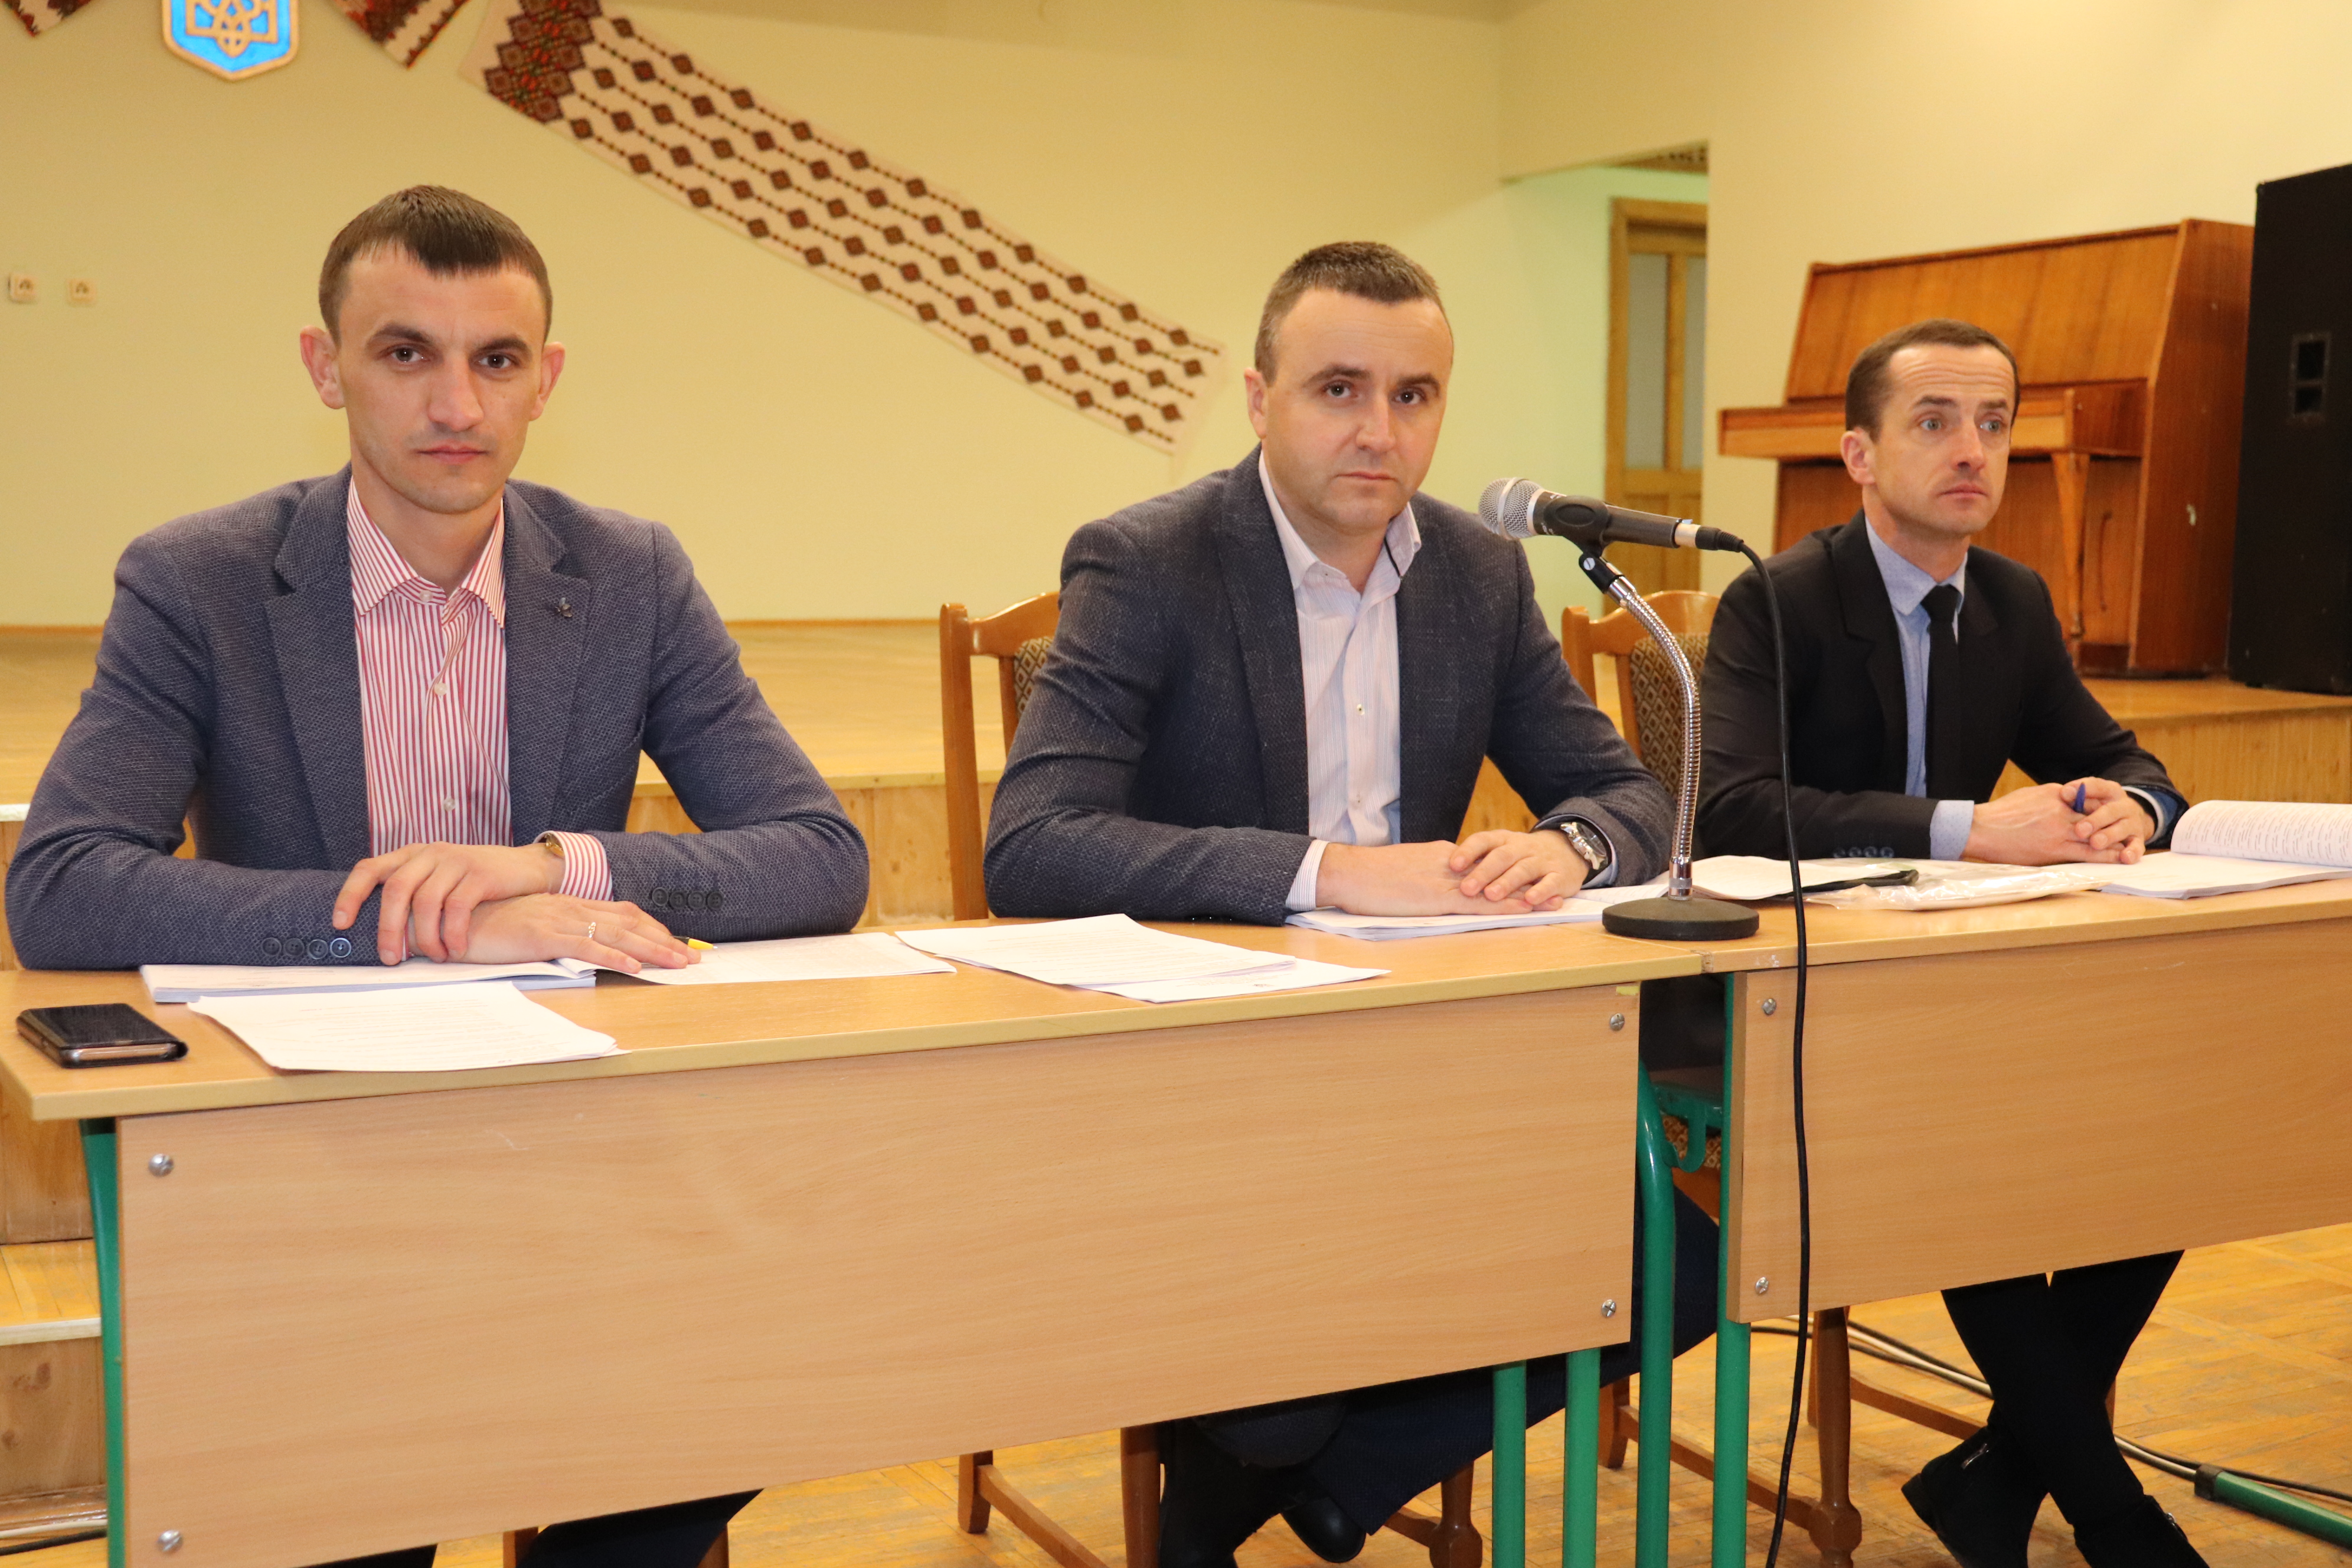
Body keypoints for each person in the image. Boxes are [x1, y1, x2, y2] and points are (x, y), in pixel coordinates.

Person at [8, 186, 868, 1566]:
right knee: (360, 1507)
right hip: (313, 1147)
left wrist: (548, 867)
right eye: (406, 352)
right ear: (325, 365)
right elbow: (61, 884)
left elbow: (820, 853)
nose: (457, 402)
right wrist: (427, 925)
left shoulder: (631, 572)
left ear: (547, 379)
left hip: (578, 1142)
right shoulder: (200, 579)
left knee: (754, 1365)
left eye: (497, 358)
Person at [985, 241, 1716, 1568]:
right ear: (1258, 397)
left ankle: (1338, 1483)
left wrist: (1568, 846)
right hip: (1223, 1062)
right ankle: (1281, 1474)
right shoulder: (1148, 560)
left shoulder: (1479, 573)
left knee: (1684, 1258)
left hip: (1436, 1044)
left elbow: (1634, 796)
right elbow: (1032, 846)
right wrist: (1326, 870)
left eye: (1414, 395)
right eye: (1338, 389)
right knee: (1275, 1400)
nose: (1380, 430)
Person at [1698, 318, 2202, 1568]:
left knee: (2171, 1149)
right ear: (1859, 453)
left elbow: (2123, 758)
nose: (1972, 449)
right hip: (1815, 1001)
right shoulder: (1778, 598)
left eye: (1993, 423)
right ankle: (2112, 1515)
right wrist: (1975, 827)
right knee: (1967, 1163)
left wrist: (2136, 806)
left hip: (1975, 988)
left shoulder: (2012, 599)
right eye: (1934, 422)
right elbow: (1733, 810)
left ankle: (1998, 1476)